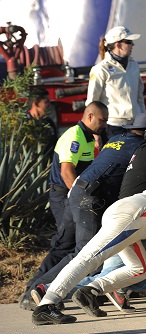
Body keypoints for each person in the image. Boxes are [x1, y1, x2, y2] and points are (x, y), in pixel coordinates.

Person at [30, 151, 146, 326]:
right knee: (89, 258)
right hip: (131, 217)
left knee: (140, 269)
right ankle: (46, 305)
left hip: (133, 221)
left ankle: (91, 291)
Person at [26, 113, 146, 311]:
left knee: (66, 248)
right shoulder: (141, 148)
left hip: (77, 191)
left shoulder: (117, 139)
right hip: (90, 198)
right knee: (86, 253)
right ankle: (42, 291)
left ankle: (34, 290)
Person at [20, 102, 108, 310]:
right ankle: (36, 290)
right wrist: (78, 200)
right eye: (101, 120)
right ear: (89, 117)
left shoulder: (87, 137)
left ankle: (37, 289)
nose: (104, 124)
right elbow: (67, 172)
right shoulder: (75, 136)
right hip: (65, 196)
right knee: (65, 246)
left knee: (65, 246)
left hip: (71, 197)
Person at [86, 26, 146, 140]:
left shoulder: (134, 65)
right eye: (129, 42)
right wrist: (94, 132)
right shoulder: (100, 69)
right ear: (118, 45)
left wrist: (144, 119)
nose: (133, 45)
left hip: (136, 125)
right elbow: (93, 102)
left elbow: (139, 97)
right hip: (112, 128)